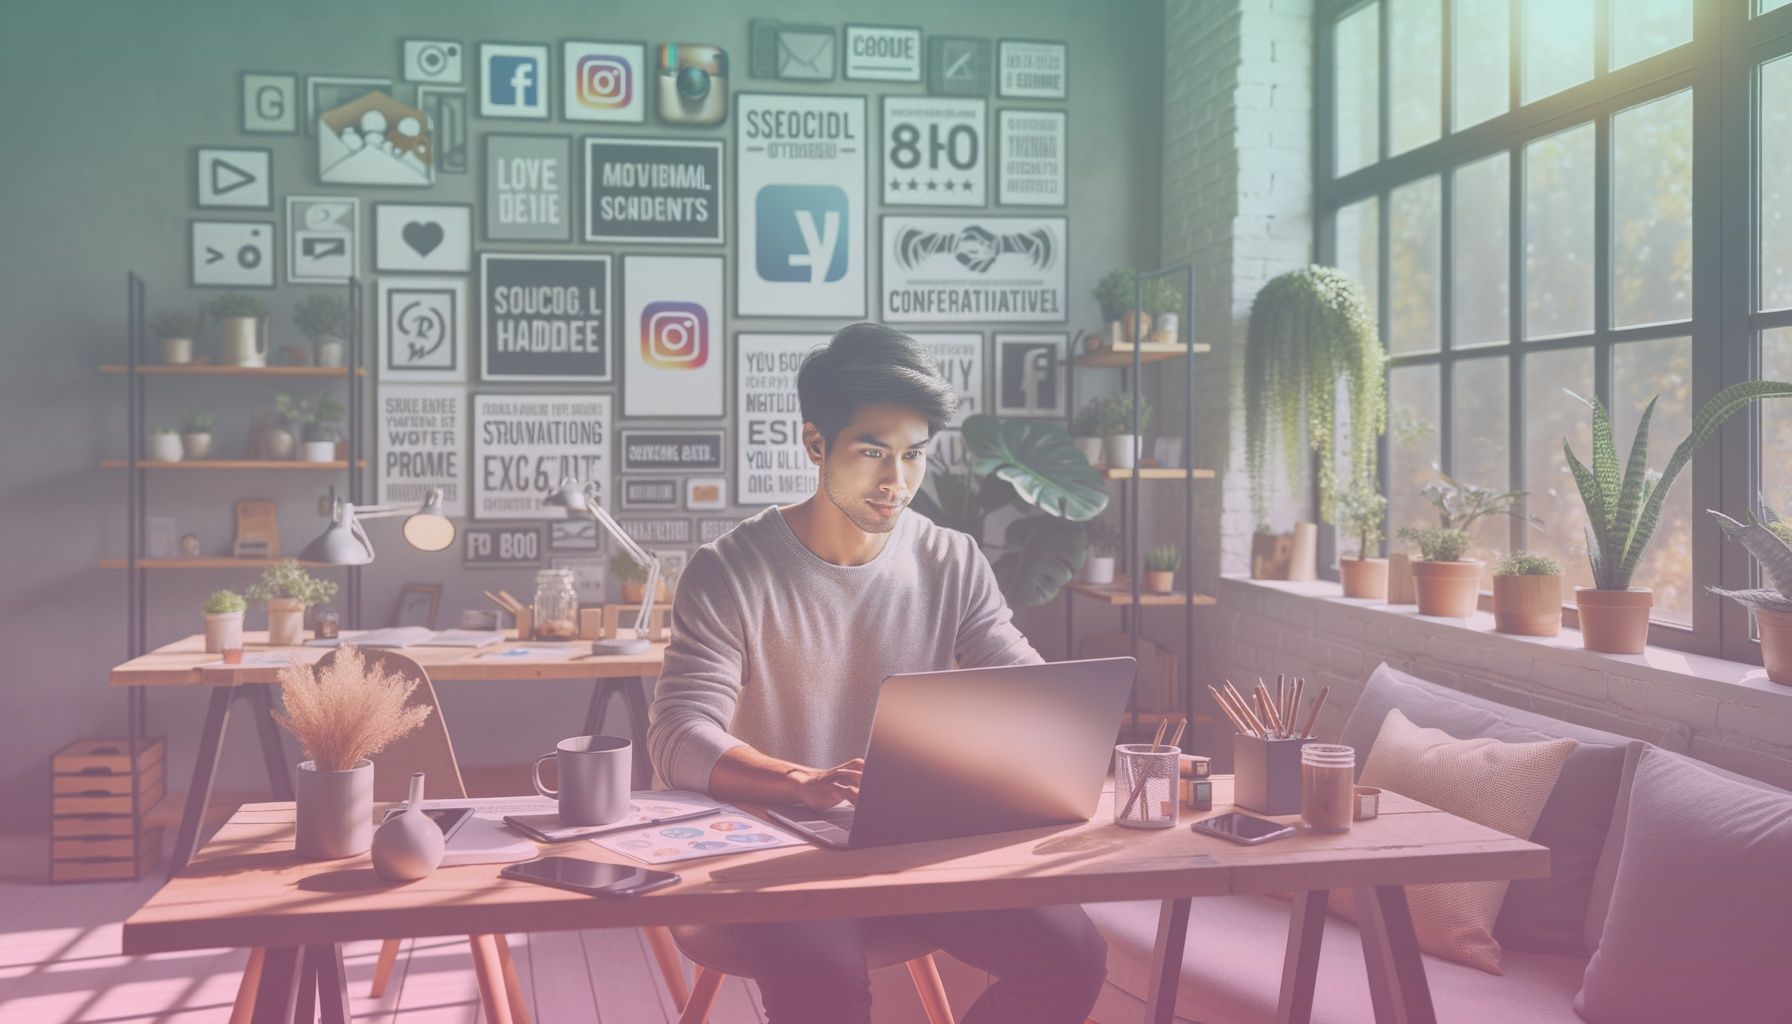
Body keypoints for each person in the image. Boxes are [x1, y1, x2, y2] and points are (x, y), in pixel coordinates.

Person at [646, 322, 1107, 1024]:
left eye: (914, 456)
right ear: (814, 444)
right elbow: (679, 736)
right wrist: (799, 781)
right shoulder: (730, 570)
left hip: (914, 850)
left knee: (1071, 955)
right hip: (777, 853)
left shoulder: (950, 560)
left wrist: (1063, 733)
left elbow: (1024, 684)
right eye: (871, 453)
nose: (896, 481)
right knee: (826, 993)